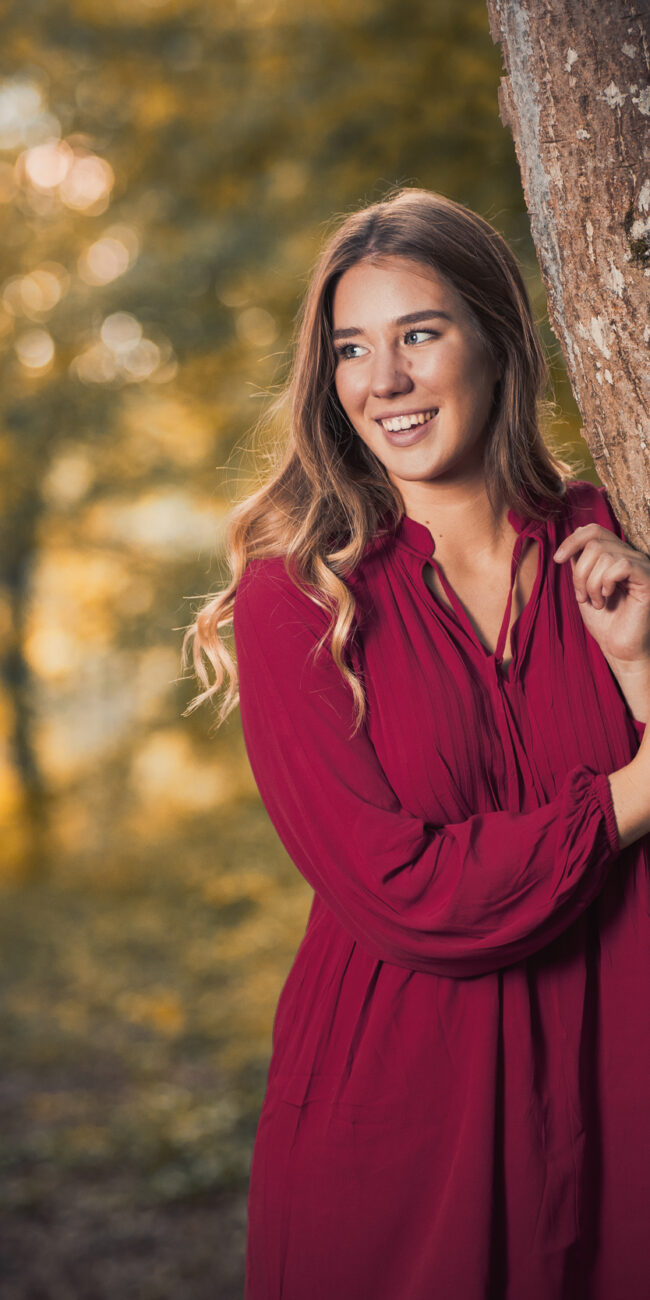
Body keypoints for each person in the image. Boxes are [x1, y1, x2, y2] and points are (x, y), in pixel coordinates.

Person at [182, 189, 650, 1300]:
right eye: (351, 348)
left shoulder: (609, 533)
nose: (381, 380)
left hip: (614, 1094)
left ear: (499, 340)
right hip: (400, 1115)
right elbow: (401, 888)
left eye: (418, 334)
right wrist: (635, 793)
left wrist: (637, 665)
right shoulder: (296, 595)